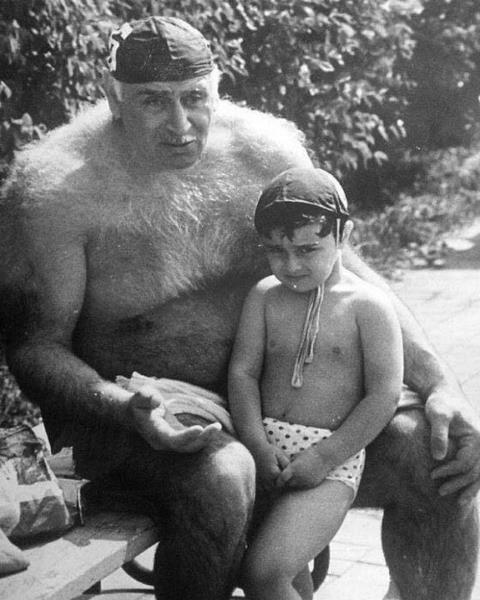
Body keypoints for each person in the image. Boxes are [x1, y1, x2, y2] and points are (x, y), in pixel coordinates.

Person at [0, 14, 478, 600]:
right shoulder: (56, 190)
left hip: (287, 403)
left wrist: (441, 384)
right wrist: (127, 410)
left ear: (216, 86)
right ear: (113, 96)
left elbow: (348, 272)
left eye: (193, 97)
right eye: (153, 101)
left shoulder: (262, 151)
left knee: (439, 454)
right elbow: (35, 349)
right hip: (135, 420)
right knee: (224, 478)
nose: (180, 125)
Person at [229, 167, 404, 600]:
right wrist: (256, 444)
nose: (291, 266)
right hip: (265, 453)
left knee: (264, 572)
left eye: (308, 250)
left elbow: (383, 394)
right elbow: (243, 373)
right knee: (288, 579)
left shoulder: (369, 306)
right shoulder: (265, 296)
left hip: (330, 461)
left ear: (343, 235)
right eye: (276, 251)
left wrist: (324, 457)